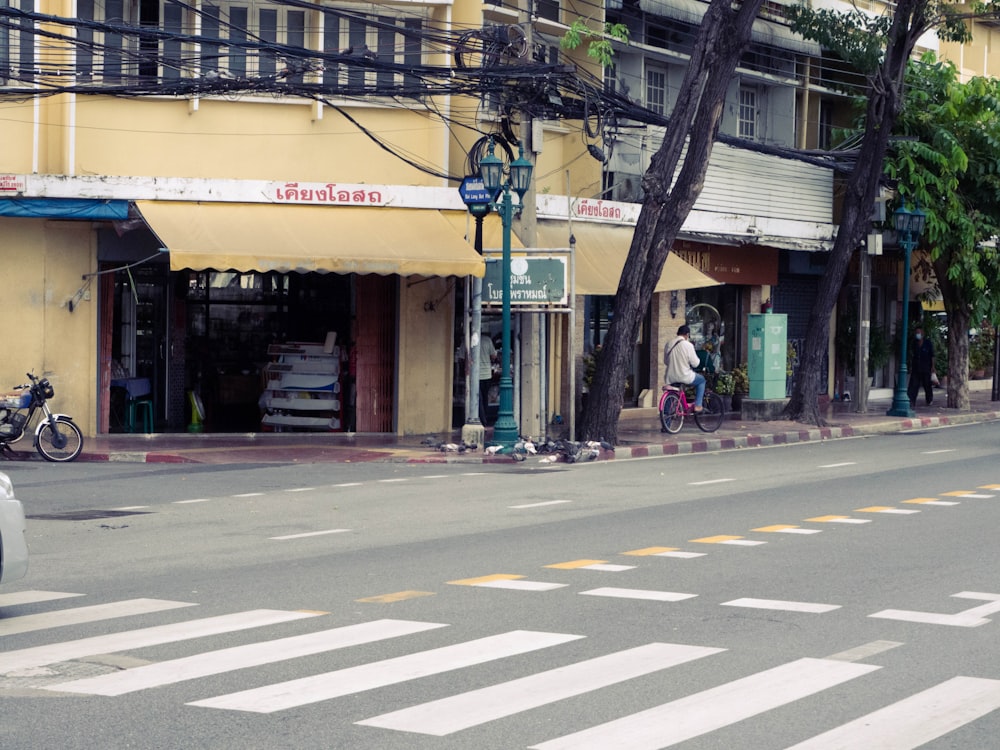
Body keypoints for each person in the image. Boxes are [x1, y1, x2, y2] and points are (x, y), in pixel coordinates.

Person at [664, 324, 705, 411]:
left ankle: (666, 422)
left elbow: (666, 361)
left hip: (670, 377)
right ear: (687, 335)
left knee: (670, 396)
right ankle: (698, 405)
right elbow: (695, 363)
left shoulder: (669, 344)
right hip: (684, 376)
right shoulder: (688, 345)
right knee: (701, 380)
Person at [908, 326, 934, 407]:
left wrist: (933, 367)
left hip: (926, 367)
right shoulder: (914, 343)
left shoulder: (928, 343)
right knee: (914, 385)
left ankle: (929, 399)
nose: (917, 334)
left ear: (922, 334)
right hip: (916, 367)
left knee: (927, 384)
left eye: (919, 333)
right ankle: (911, 401)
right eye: (916, 333)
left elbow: (932, 356)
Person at [478, 330, 497, 425]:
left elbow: (461, 358)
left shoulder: (468, 340)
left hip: (475, 375)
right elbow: (493, 356)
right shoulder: (487, 340)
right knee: (485, 398)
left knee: (478, 398)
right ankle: (485, 418)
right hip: (486, 374)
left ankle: (481, 419)